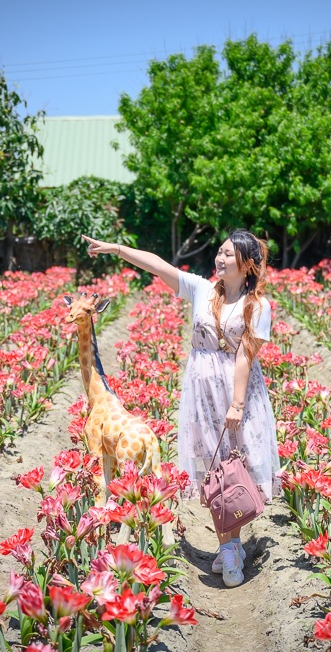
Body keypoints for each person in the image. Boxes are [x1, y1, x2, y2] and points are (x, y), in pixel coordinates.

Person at [82, 230, 280, 588]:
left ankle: (230, 543)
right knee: (215, 468)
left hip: (240, 394)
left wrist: (236, 405)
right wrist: (117, 248)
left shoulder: (258, 306)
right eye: (219, 252)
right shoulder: (202, 290)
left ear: (247, 264)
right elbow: (157, 265)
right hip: (202, 393)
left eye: (228, 255)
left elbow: (244, 357)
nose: (219, 259)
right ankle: (231, 549)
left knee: (239, 469)